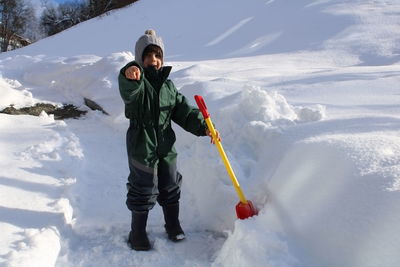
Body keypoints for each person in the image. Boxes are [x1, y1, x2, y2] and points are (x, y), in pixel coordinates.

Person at [118, 29, 219, 251]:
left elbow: (184, 111)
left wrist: (204, 127)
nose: (152, 60)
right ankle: (137, 233)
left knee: (170, 184)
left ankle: (172, 225)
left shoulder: (169, 87)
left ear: (162, 59)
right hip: (141, 144)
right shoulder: (136, 83)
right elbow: (128, 92)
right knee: (142, 187)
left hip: (165, 143)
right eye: (146, 56)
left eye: (157, 56)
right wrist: (129, 73)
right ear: (139, 59)